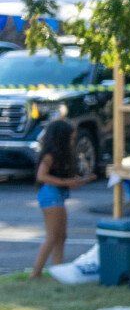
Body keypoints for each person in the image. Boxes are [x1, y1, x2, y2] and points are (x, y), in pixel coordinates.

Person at [29, 118, 91, 278]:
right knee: (52, 236)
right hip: (50, 195)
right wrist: (65, 182)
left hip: (57, 194)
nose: (72, 140)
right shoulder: (50, 155)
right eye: (70, 137)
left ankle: (58, 269)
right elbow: (41, 176)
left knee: (61, 236)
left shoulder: (61, 155)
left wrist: (79, 180)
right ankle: (36, 273)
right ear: (61, 137)